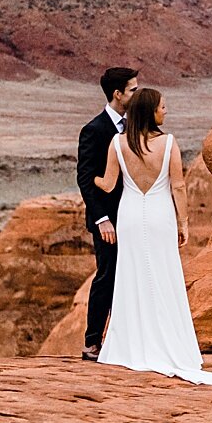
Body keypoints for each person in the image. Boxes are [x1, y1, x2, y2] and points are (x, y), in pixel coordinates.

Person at [90, 84, 212, 387]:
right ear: (150, 112)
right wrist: (183, 222)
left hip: (130, 217)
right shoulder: (169, 143)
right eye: (162, 106)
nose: (166, 110)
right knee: (164, 276)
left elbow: (107, 185)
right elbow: (178, 186)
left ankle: (132, 346)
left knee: (131, 278)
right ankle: (171, 343)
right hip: (160, 217)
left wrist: (87, 175)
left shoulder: (117, 144)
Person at [76, 65, 138, 362]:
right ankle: (92, 342)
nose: (136, 94)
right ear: (118, 94)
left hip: (134, 214)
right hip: (108, 222)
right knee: (107, 277)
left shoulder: (136, 126)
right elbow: (86, 179)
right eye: (133, 90)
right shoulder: (94, 130)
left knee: (132, 277)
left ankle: (125, 340)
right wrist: (102, 219)